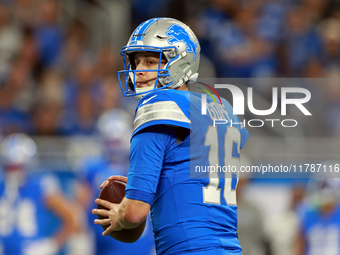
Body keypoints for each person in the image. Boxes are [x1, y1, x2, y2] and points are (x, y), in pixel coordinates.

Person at [92, 18, 249, 255]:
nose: (139, 71)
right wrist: (149, 185)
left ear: (180, 61)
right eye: (136, 61)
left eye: (151, 61)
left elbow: (135, 213)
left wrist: (120, 213)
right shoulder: (220, 106)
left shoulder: (157, 105)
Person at [75, 109, 156, 255]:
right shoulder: (93, 168)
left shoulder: (140, 165)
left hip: (139, 239)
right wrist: (80, 233)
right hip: (104, 240)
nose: (113, 147)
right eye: (109, 142)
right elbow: (79, 208)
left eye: (116, 141)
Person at [0, 133, 80, 255]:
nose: (13, 172)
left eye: (18, 167)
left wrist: (50, 245)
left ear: (28, 165)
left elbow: (73, 216)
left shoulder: (41, 186)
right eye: (10, 167)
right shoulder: (2, 186)